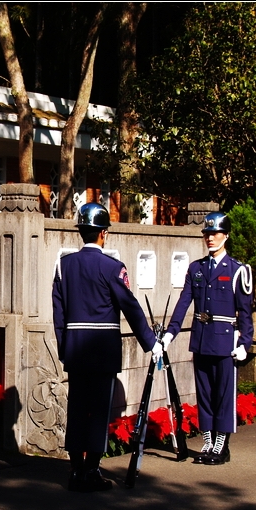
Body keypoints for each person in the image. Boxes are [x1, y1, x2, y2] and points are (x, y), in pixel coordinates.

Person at [52, 202, 162, 492]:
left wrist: (65, 348)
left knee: (76, 408)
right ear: (103, 234)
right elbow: (131, 307)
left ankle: (75, 470)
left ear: (82, 232)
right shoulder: (113, 267)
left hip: (75, 349)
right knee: (99, 411)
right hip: (102, 350)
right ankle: (91, 470)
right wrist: (151, 342)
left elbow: (58, 313)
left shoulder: (64, 265)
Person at [160, 212, 253, 466]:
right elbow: (183, 303)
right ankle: (208, 441)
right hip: (202, 339)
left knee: (223, 395)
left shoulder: (237, 270)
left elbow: (245, 312)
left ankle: (221, 446)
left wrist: (245, 343)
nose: (210, 238)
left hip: (225, 342)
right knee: (205, 394)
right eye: (207, 234)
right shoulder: (196, 268)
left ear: (226, 236)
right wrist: (170, 333)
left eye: (215, 233)